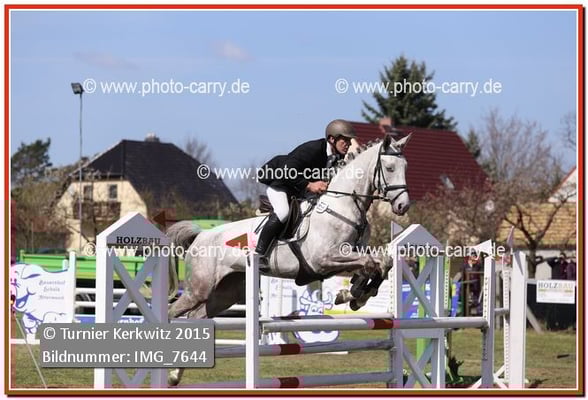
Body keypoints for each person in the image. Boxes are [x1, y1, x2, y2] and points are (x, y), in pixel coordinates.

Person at [255, 119, 357, 257]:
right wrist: (309, 185)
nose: (349, 144)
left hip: (298, 190)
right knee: (283, 212)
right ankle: (259, 254)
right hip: (281, 185)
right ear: (332, 139)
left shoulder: (337, 156)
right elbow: (287, 171)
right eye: (345, 140)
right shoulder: (313, 149)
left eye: (350, 141)